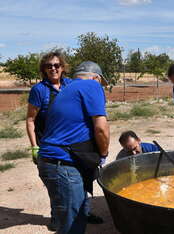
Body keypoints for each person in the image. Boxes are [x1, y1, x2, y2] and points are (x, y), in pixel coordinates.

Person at [37, 61, 110, 234]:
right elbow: (101, 128)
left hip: (56, 161)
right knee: (72, 227)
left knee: (78, 214)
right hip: (62, 164)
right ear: (96, 78)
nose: (101, 87)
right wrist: (104, 153)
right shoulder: (91, 85)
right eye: (101, 83)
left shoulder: (67, 90)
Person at [26, 51, 72, 231]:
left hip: (71, 143)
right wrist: (34, 147)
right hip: (48, 145)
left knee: (78, 180)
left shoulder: (70, 85)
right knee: (56, 184)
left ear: (62, 67)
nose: (53, 68)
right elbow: (30, 120)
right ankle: (57, 218)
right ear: (44, 69)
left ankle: (81, 212)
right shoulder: (39, 90)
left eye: (57, 65)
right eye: (49, 66)